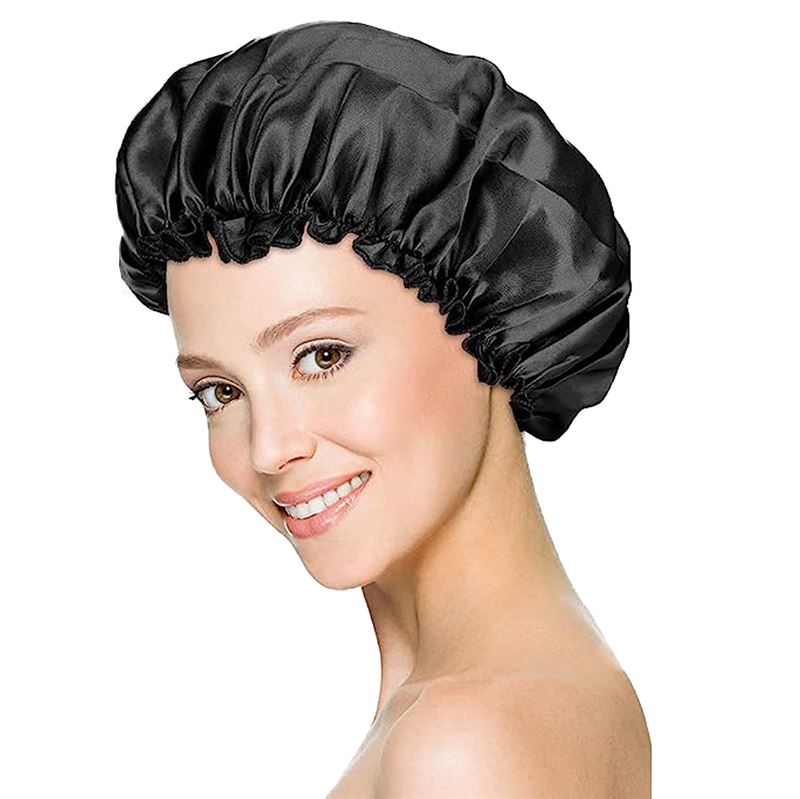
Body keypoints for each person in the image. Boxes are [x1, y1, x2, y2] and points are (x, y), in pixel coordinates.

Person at [115, 20, 651, 797]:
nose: (268, 448)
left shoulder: (462, 744)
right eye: (220, 391)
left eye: (322, 356)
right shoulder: (536, 689)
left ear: (489, 306)